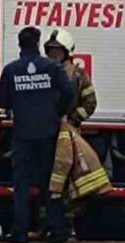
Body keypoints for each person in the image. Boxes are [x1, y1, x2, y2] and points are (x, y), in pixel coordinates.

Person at [0, 27, 75, 243]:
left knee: (21, 184)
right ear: (39, 43)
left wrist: (18, 103)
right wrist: (56, 111)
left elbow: (1, 100)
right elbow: (69, 92)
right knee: (51, 182)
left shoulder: (11, 70)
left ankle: (20, 232)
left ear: (20, 45)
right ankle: (56, 230)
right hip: (49, 133)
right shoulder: (51, 68)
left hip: (22, 135)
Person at [43, 29, 108, 219]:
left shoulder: (78, 75)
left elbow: (90, 103)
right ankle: (46, 221)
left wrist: (72, 120)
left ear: (67, 52)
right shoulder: (43, 72)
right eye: (51, 51)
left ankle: (66, 221)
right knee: (48, 178)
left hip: (69, 134)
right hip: (47, 132)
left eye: (57, 51)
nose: (53, 55)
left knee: (67, 179)